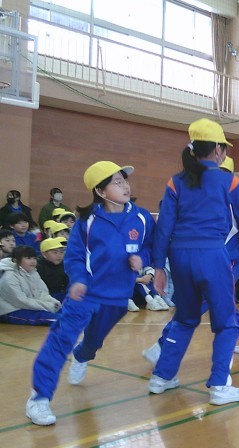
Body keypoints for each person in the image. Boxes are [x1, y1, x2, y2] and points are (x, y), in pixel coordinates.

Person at [148, 118, 239, 406]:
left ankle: (161, 377)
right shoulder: (227, 180)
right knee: (227, 324)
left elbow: (163, 228)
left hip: (179, 257)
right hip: (212, 256)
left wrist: (157, 267)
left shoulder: (175, 182)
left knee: (184, 319)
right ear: (217, 150)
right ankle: (219, 385)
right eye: (225, 148)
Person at [26, 160, 155, 426]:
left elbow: (150, 247)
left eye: (125, 180)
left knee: (93, 342)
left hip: (118, 298)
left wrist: (141, 258)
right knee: (59, 341)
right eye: (117, 182)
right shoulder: (87, 221)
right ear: (101, 191)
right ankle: (39, 398)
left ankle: (82, 355)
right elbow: (74, 257)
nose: (125, 186)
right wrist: (79, 280)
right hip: (84, 295)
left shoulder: (142, 217)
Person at [0, 245, 61, 325]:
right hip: (12, 310)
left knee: (64, 312)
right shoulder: (9, 277)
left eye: (34, 258)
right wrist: (49, 306)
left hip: (29, 307)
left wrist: (54, 303)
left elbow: (42, 293)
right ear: (16, 260)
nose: (33, 261)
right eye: (28, 258)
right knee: (57, 319)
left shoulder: (33, 273)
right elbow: (21, 301)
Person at [37, 237, 69, 301]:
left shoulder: (65, 264)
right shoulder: (38, 267)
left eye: (61, 252)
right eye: (55, 252)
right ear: (44, 254)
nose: (59, 255)